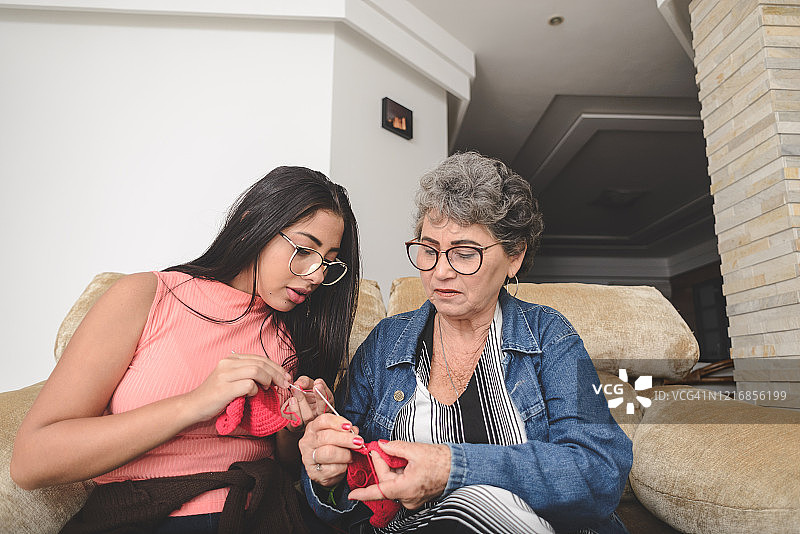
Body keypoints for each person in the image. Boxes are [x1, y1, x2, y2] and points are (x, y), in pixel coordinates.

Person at [11, 166, 360, 533]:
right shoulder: (147, 298)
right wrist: (195, 403)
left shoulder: (290, 336)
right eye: (304, 250)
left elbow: (288, 465)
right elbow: (32, 460)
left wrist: (295, 425)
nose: (317, 276)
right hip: (142, 513)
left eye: (329, 261)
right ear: (252, 223)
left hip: (260, 513)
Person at [298, 152, 633, 534]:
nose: (440, 271)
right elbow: (343, 498)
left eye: (464, 253)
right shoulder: (384, 346)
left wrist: (451, 468)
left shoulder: (549, 336)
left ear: (514, 256)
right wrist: (325, 475)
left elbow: (599, 474)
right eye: (428, 250)